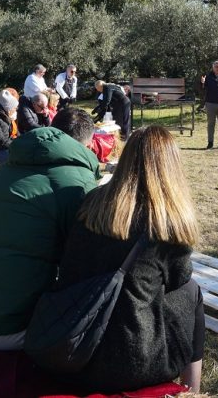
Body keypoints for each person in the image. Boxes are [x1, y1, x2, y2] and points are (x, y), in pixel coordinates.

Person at [53, 126, 203, 395]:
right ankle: (192, 389)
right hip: (136, 364)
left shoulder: (92, 203)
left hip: (74, 348)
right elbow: (180, 279)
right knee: (192, 291)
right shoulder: (165, 222)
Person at [0, 107, 102, 351]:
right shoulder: (77, 183)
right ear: (87, 143)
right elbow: (87, 259)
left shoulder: (4, 170)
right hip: (13, 327)